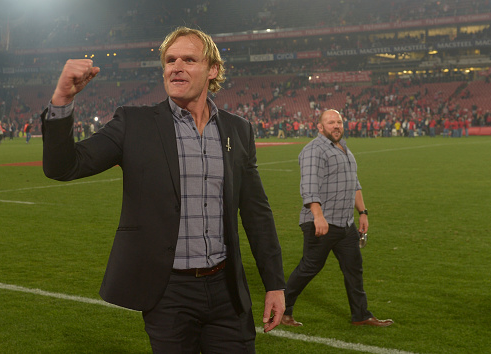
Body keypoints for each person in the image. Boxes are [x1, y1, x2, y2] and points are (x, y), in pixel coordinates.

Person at [41, 27, 285, 352]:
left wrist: (274, 284)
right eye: (170, 60)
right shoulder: (134, 123)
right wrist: (62, 100)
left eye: (188, 59)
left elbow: (256, 212)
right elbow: (64, 166)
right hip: (168, 293)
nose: (175, 66)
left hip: (227, 290)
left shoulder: (238, 130)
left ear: (213, 69)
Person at [281, 109, 393, 328]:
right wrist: (318, 216)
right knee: (309, 268)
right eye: (331, 122)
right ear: (320, 127)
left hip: (345, 224)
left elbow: (354, 184)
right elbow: (309, 186)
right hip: (322, 222)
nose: (336, 126)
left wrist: (362, 212)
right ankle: (282, 310)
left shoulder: (344, 149)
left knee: (354, 268)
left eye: (339, 122)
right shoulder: (314, 150)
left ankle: (360, 315)